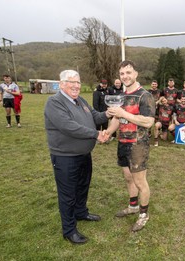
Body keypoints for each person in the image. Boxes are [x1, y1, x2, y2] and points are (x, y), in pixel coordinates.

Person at [44, 70, 110, 244]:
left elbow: (94, 115)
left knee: (82, 186)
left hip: (83, 154)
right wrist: (96, 134)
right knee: (68, 194)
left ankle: (81, 212)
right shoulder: (54, 102)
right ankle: (69, 230)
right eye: (71, 82)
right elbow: (68, 126)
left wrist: (108, 114)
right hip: (65, 157)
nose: (76, 86)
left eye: (78, 82)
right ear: (61, 84)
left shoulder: (80, 100)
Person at [104, 60, 155, 232]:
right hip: (122, 143)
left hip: (138, 145)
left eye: (128, 72)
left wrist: (123, 113)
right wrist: (108, 133)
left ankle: (144, 214)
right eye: (122, 74)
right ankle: (133, 206)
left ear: (135, 74)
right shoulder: (121, 97)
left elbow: (148, 122)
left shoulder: (144, 95)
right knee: (127, 177)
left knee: (140, 182)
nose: (125, 76)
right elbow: (116, 120)